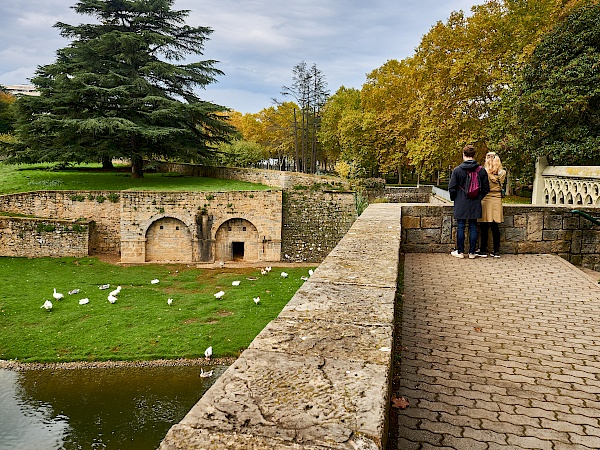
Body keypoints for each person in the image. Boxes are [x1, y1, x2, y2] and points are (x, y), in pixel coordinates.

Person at [448, 145, 490, 259]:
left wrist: (455, 198)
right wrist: (479, 197)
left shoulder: (457, 170)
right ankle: (472, 253)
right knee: (473, 226)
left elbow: (452, 188)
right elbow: (486, 188)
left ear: (463, 154)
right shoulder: (481, 170)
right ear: (474, 155)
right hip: (475, 202)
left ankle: (460, 252)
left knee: (461, 226)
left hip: (461, 202)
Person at [476, 152, 506, 258]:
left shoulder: (483, 172)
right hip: (497, 199)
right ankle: (496, 250)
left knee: (484, 226)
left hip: (486, 198)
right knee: (495, 226)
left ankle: (483, 249)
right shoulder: (502, 173)